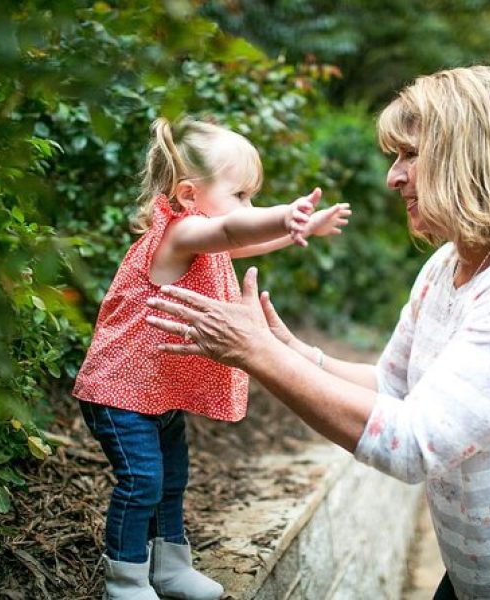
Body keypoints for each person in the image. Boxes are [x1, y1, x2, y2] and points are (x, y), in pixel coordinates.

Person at [144, 66, 490, 600]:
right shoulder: (452, 262)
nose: (393, 177)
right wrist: (298, 354)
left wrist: (258, 354)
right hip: (489, 581)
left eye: (409, 154)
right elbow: (394, 385)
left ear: (472, 153)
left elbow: (413, 443)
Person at [73, 117, 351, 600]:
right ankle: (125, 579)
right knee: (141, 481)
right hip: (117, 392)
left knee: (172, 478)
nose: (249, 207)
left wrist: (297, 229)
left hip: (153, 392)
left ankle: (170, 567)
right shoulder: (179, 236)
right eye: (241, 194)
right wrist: (286, 212)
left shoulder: (207, 238)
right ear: (187, 197)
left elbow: (240, 233)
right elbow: (232, 228)